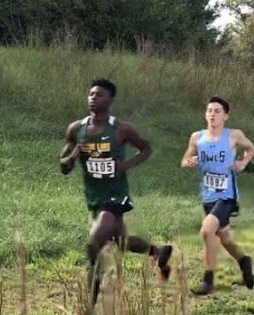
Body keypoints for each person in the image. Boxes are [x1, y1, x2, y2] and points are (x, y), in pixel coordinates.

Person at [59, 79, 172, 306]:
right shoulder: (76, 129)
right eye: (91, 94)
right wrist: (73, 155)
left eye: (99, 95)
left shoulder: (121, 129)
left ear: (110, 100)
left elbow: (145, 148)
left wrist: (126, 165)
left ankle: (89, 303)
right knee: (120, 241)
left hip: (116, 194)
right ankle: (158, 252)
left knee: (94, 243)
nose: (93, 98)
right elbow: (64, 167)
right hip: (94, 196)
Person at [181, 96, 254, 295]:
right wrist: (190, 161)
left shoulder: (233, 135)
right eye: (209, 111)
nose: (212, 114)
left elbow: (251, 148)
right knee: (224, 238)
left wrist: (242, 163)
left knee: (207, 231)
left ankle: (209, 281)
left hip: (227, 196)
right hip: (208, 196)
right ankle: (244, 260)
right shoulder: (197, 137)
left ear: (225, 116)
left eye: (217, 111)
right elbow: (185, 159)